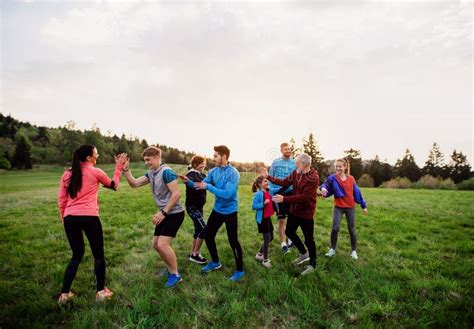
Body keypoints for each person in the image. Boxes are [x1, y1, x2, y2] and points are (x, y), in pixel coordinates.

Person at [57, 144, 127, 304]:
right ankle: (101, 292)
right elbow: (113, 185)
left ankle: (64, 295)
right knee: (98, 255)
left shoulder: (67, 174)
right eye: (96, 153)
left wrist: (64, 218)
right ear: (89, 158)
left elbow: (62, 199)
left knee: (76, 254)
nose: (98, 155)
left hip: (70, 217)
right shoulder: (95, 171)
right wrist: (118, 167)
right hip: (89, 217)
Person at [122, 146, 185, 288]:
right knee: (156, 244)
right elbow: (135, 184)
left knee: (163, 244)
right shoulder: (152, 173)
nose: (146, 163)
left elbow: (176, 194)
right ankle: (169, 269)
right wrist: (126, 170)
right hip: (164, 213)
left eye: (148, 159)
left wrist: (163, 213)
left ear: (157, 157)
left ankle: (175, 275)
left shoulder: (167, 172)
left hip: (174, 213)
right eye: (145, 160)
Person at [183, 145, 244, 282]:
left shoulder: (234, 173)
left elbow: (228, 194)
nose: (213, 158)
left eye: (216, 155)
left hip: (230, 211)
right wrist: (189, 182)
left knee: (233, 241)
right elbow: (201, 185)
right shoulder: (213, 171)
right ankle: (215, 261)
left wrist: (208, 187)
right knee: (208, 236)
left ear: (224, 156)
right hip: (217, 210)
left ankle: (239, 270)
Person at [264, 153, 319, 276]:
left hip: (306, 213)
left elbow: (304, 197)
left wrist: (284, 199)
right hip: (294, 210)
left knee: (309, 239)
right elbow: (284, 182)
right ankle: (304, 253)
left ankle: (312, 264)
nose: (295, 165)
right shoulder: (296, 173)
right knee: (289, 232)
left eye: (297, 163)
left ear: (304, 165)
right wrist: (268, 176)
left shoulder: (313, 178)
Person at [320, 158, 368, 260]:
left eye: (340, 166)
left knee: (351, 229)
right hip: (338, 206)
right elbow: (325, 184)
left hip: (350, 207)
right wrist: (323, 188)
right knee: (335, 228)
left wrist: (363, 206)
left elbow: (357, 192)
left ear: (345, 167)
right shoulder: (332, 178)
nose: (338, 168)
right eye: (336, 166)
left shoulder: (351, 179)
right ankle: (332, 249)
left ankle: (354, 251)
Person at [179, 155, 208, 264]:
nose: (203, 166)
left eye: (204, 164)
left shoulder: (201, 174)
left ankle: (193, 253)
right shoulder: (191, 174)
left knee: (198, 230)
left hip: (199, 207)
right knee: (204, 229)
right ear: (195, 164)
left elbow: (207, 182)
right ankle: (195, 254)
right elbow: (195, 185)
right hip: (192, 207)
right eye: (201, 164)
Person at [268, 143, 296, 254]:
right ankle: (283, 244)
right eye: (286, 149)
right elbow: (270, 177)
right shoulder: (275, 162)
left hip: (291, 194)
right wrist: (271, 193)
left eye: (289, 149)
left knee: (292, 219)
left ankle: (290, 240)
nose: (288, 150)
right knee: (281, 220)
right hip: (278, 194)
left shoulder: (295, 163)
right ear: (281, 150)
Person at [251, 176, 275, 268]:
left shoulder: (268, 191)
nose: (267, 182)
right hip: (262, 219)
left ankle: (260, 254)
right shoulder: (258, 194)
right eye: (265, 181)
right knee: (267, 239)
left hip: (268, 218)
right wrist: (263, 203)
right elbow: (254, 206)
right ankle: (265, 260)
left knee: (271, 237)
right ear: (260, 184)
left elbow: (276, 190)